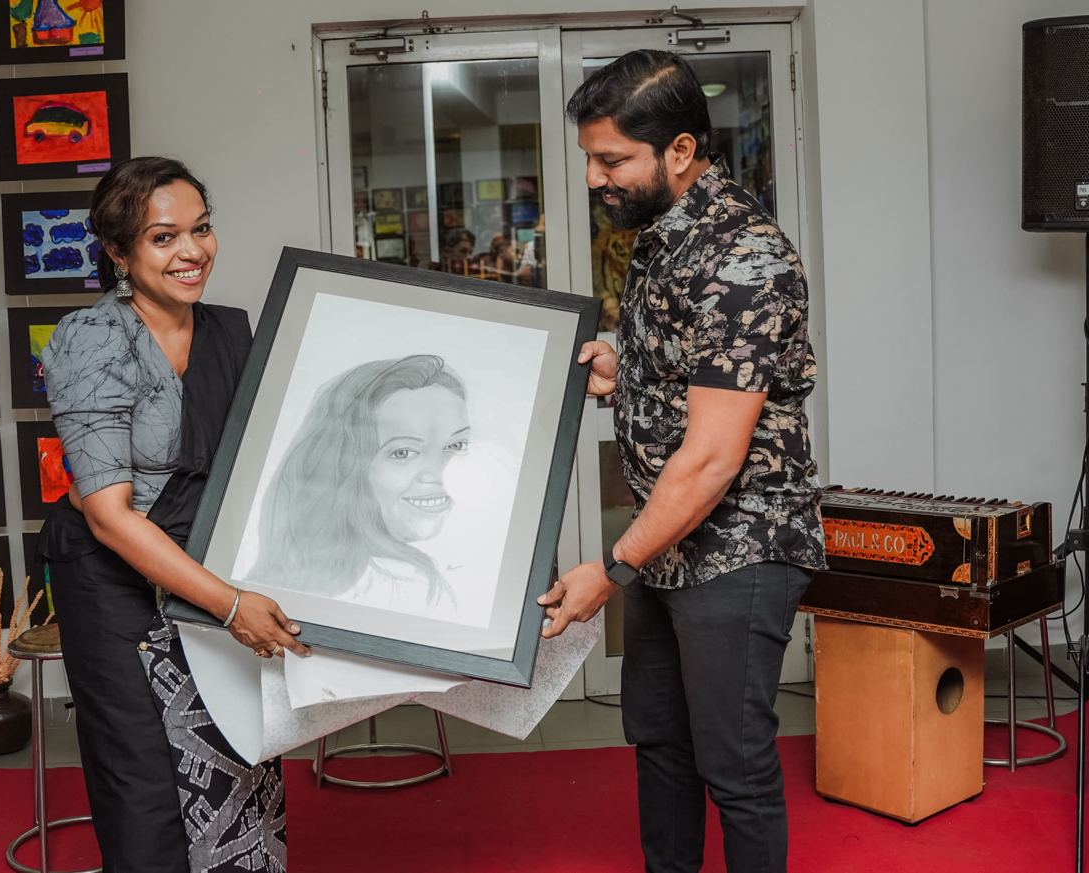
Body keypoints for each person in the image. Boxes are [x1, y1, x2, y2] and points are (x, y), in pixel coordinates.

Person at [537, 50, 825, 873]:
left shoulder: (745, 258)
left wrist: (612, 567)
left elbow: (710, 457)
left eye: (612, 160)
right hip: (672, 544)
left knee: (732, 763)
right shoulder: (663, 235)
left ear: (681, 151)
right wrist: (619, 367)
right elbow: (692, 373)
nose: (594, 178)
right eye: (591, 158)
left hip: (737, 547)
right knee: (658, 738)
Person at [38, 156, 308, 873]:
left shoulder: (229, 329)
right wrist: (232, 606)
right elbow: (107, 516)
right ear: (119, 252)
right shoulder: (93, 339)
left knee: (237, 750)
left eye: (202, 229)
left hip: (209, 563)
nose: (192, 252)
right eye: (164, 238)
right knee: (146, 777)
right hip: (114, 578)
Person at [245, 354, 470, 615]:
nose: (438, 473)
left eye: (455, 446)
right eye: (403, 452)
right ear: (348, 468)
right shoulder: (405, 585)